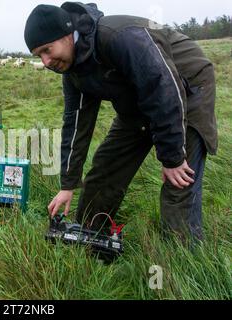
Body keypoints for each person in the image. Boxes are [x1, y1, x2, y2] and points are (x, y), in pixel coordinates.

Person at [24, 2, 218, 244]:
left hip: (186, 88)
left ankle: (181, 263)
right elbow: (75, 126)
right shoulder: (72, 71)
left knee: (179, 181)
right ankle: (91, 242)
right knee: (104, 171)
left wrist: (173, 158)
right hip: (138, 101)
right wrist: (68, 183)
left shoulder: (119, 37)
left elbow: (163, 88)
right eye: (38, 55)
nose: (45, 62)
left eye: (47, 50)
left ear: (65, 35)